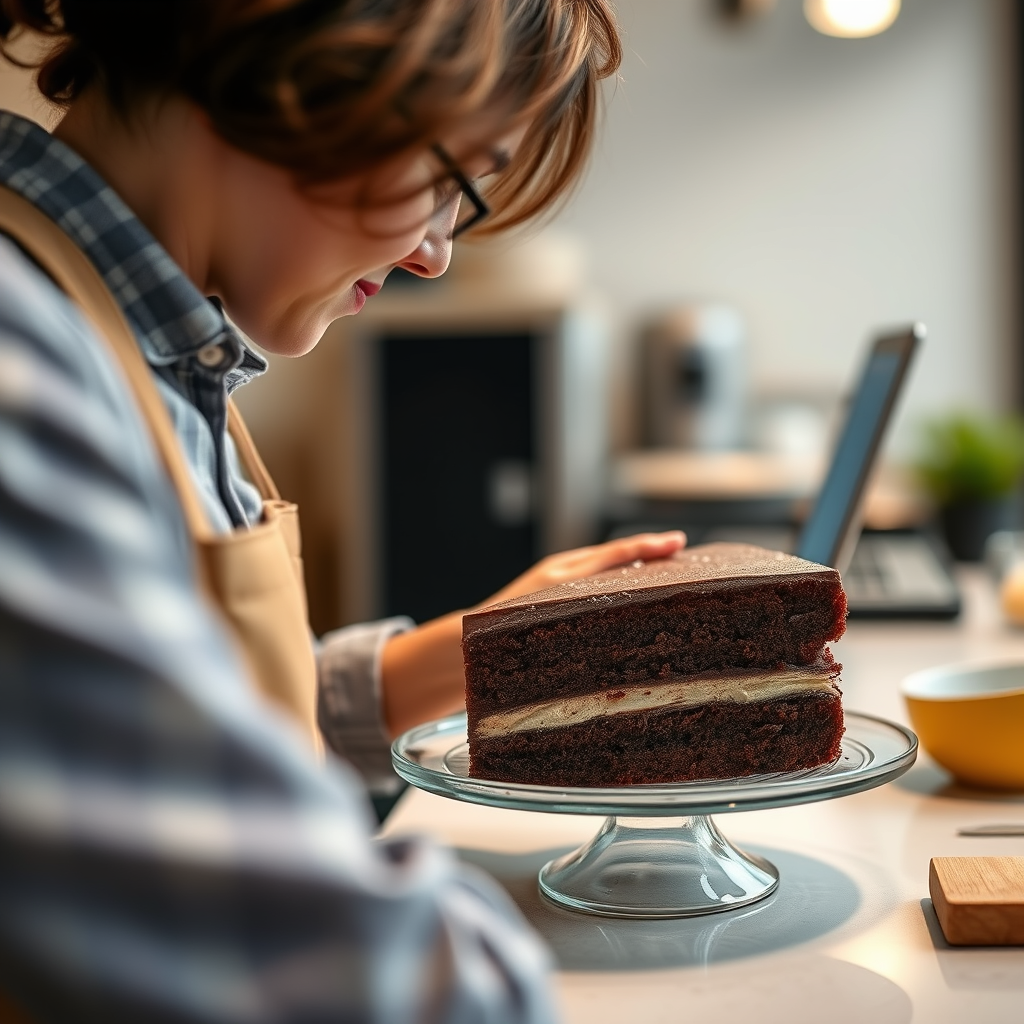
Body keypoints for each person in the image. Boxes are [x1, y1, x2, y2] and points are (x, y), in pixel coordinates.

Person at [0, 1, 685, 1019]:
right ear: (293, 55)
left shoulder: (146, 346)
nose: (434, 254)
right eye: (450, 180)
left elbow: (170, 720)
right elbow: (331, 968)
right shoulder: (26, 366)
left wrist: (471, 654)